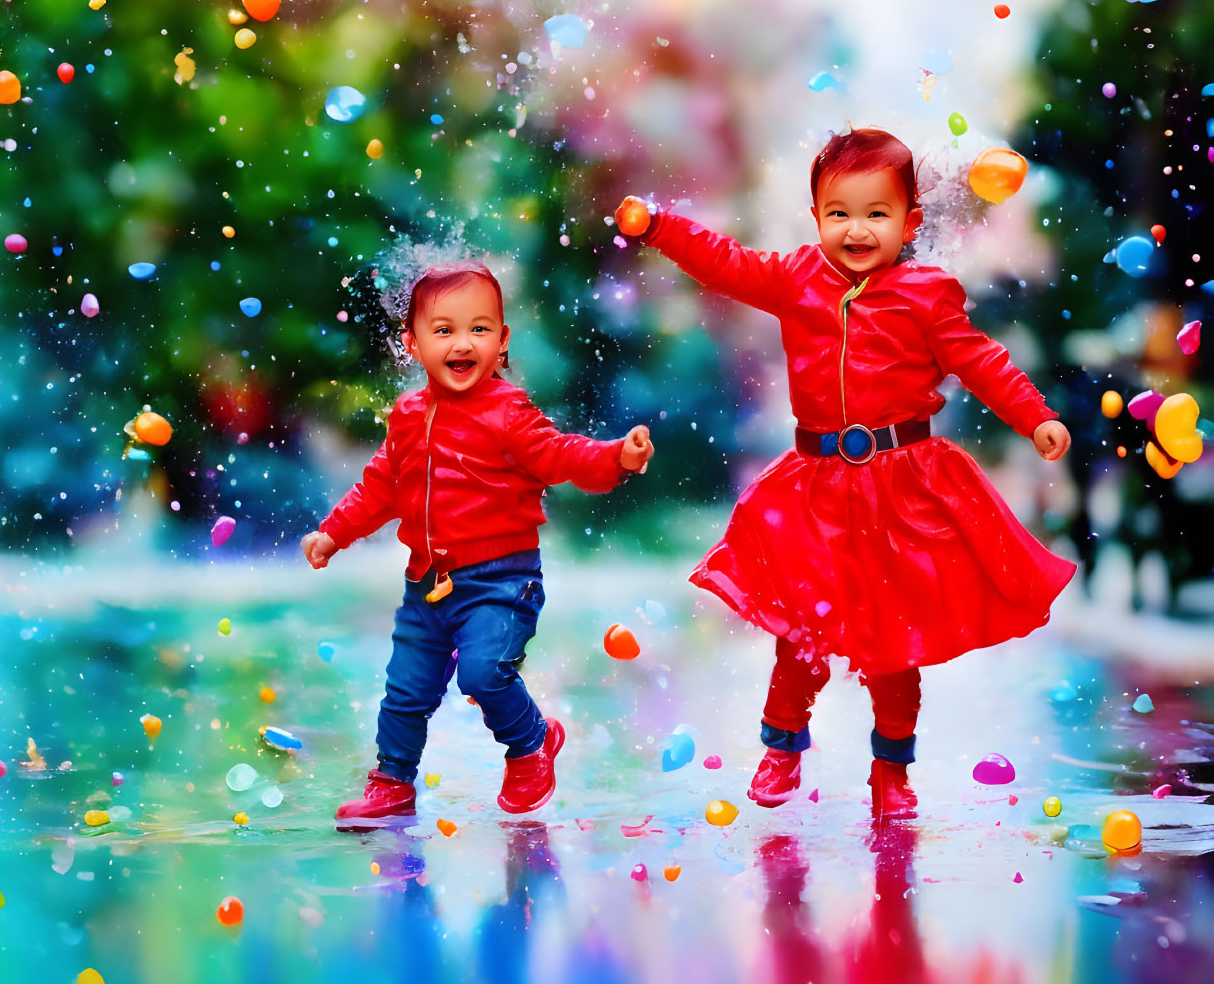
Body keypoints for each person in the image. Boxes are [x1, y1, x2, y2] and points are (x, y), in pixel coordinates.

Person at [616, 127, 1074, 821]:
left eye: (875, 214)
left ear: (909, 222)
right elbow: (726, 264)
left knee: (894, 644)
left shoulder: (927, 294)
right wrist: (658, 227)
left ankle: (891, 772)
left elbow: (980, 361)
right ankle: (782, 746)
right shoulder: (796, 276)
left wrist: (1032, 415)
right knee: (799, 628)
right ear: (816, 217)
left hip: (900, 487)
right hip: (817, 489)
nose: (855, 230)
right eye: (839, 214)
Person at [302, 261, 654, 826]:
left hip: (502, 578)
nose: (463, 344)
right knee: (405, 690)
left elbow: (560, 453)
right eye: (443, 331)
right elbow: (381, 485)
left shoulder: (508, 411)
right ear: (412, 343)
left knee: (484, 673)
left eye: (479, 329)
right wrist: (333, 532)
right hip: (428, 583)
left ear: (502, 340)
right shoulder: (408, 415)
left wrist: (614, 456)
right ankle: (392, 782)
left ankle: (532, 745)